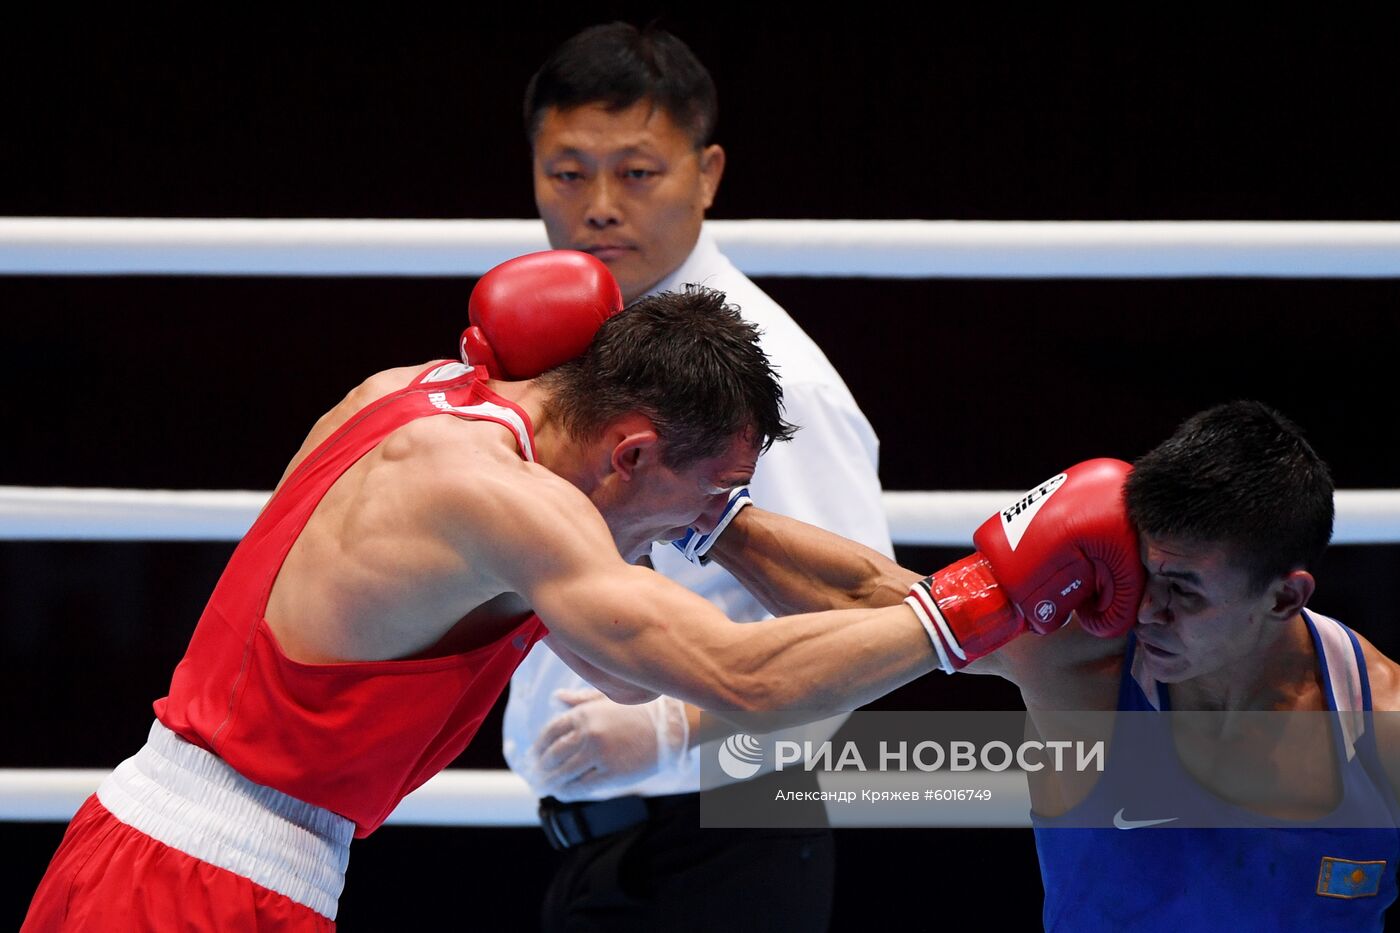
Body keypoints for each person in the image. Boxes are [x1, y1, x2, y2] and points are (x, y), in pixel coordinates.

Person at [21, 250, 1140, 930]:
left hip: (140, 845)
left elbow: (683, 604)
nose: (700, 533)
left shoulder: (411, 395)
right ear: (634, 451)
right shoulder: (514, 508)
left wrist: (960, 598)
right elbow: (734, 674)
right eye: (704, 498)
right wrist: (974, 613)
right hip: (204, 887)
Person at [699, 400, 1400, 931]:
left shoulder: (1385, 727)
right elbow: (868, 596)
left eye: (1185, 590)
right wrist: (702, 512)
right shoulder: (1085, 659)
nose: (1148, 608)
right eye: (1147, 571)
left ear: (1286, 595)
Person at [503, 21, 893, 932]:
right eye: (568, 172)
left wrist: (671, 730)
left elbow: (866, 641)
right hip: (602, 847)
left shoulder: (770, 378)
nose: (599, 204)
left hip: (727, 842)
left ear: (707, 174)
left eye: (638, 173)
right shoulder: (574, 352)